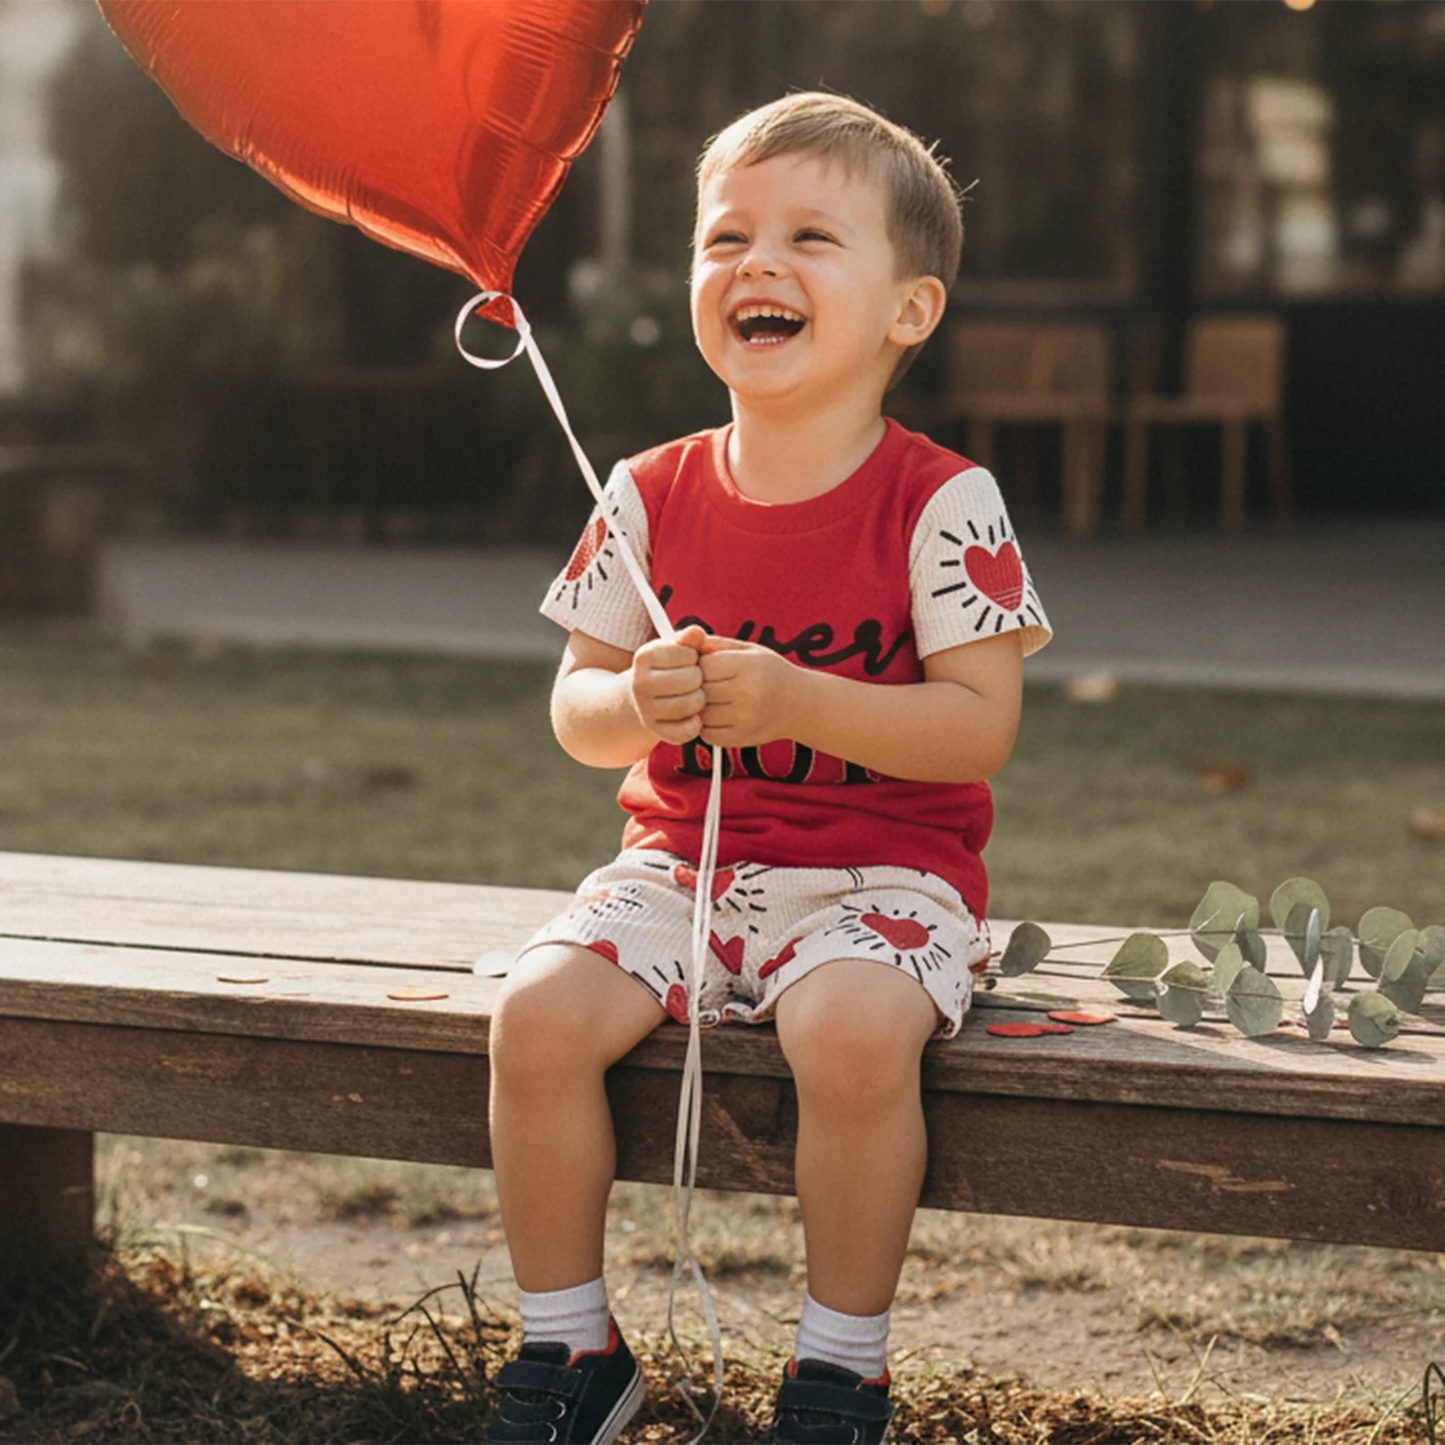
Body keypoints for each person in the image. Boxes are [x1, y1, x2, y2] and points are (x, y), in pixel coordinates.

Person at [484, 91, 1051, 1445]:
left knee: (850, 1032)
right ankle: (573, 1349)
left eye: (809, 236)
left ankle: (840, 1369)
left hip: (883, 880)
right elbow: (575, 707)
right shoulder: (644, 490)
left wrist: (801, 696)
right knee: (536, 1019)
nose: (757, 263)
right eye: (725, 236)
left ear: (909, 310)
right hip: (681, 867)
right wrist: (640, 699)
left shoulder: (942, 501)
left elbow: (979, 726)